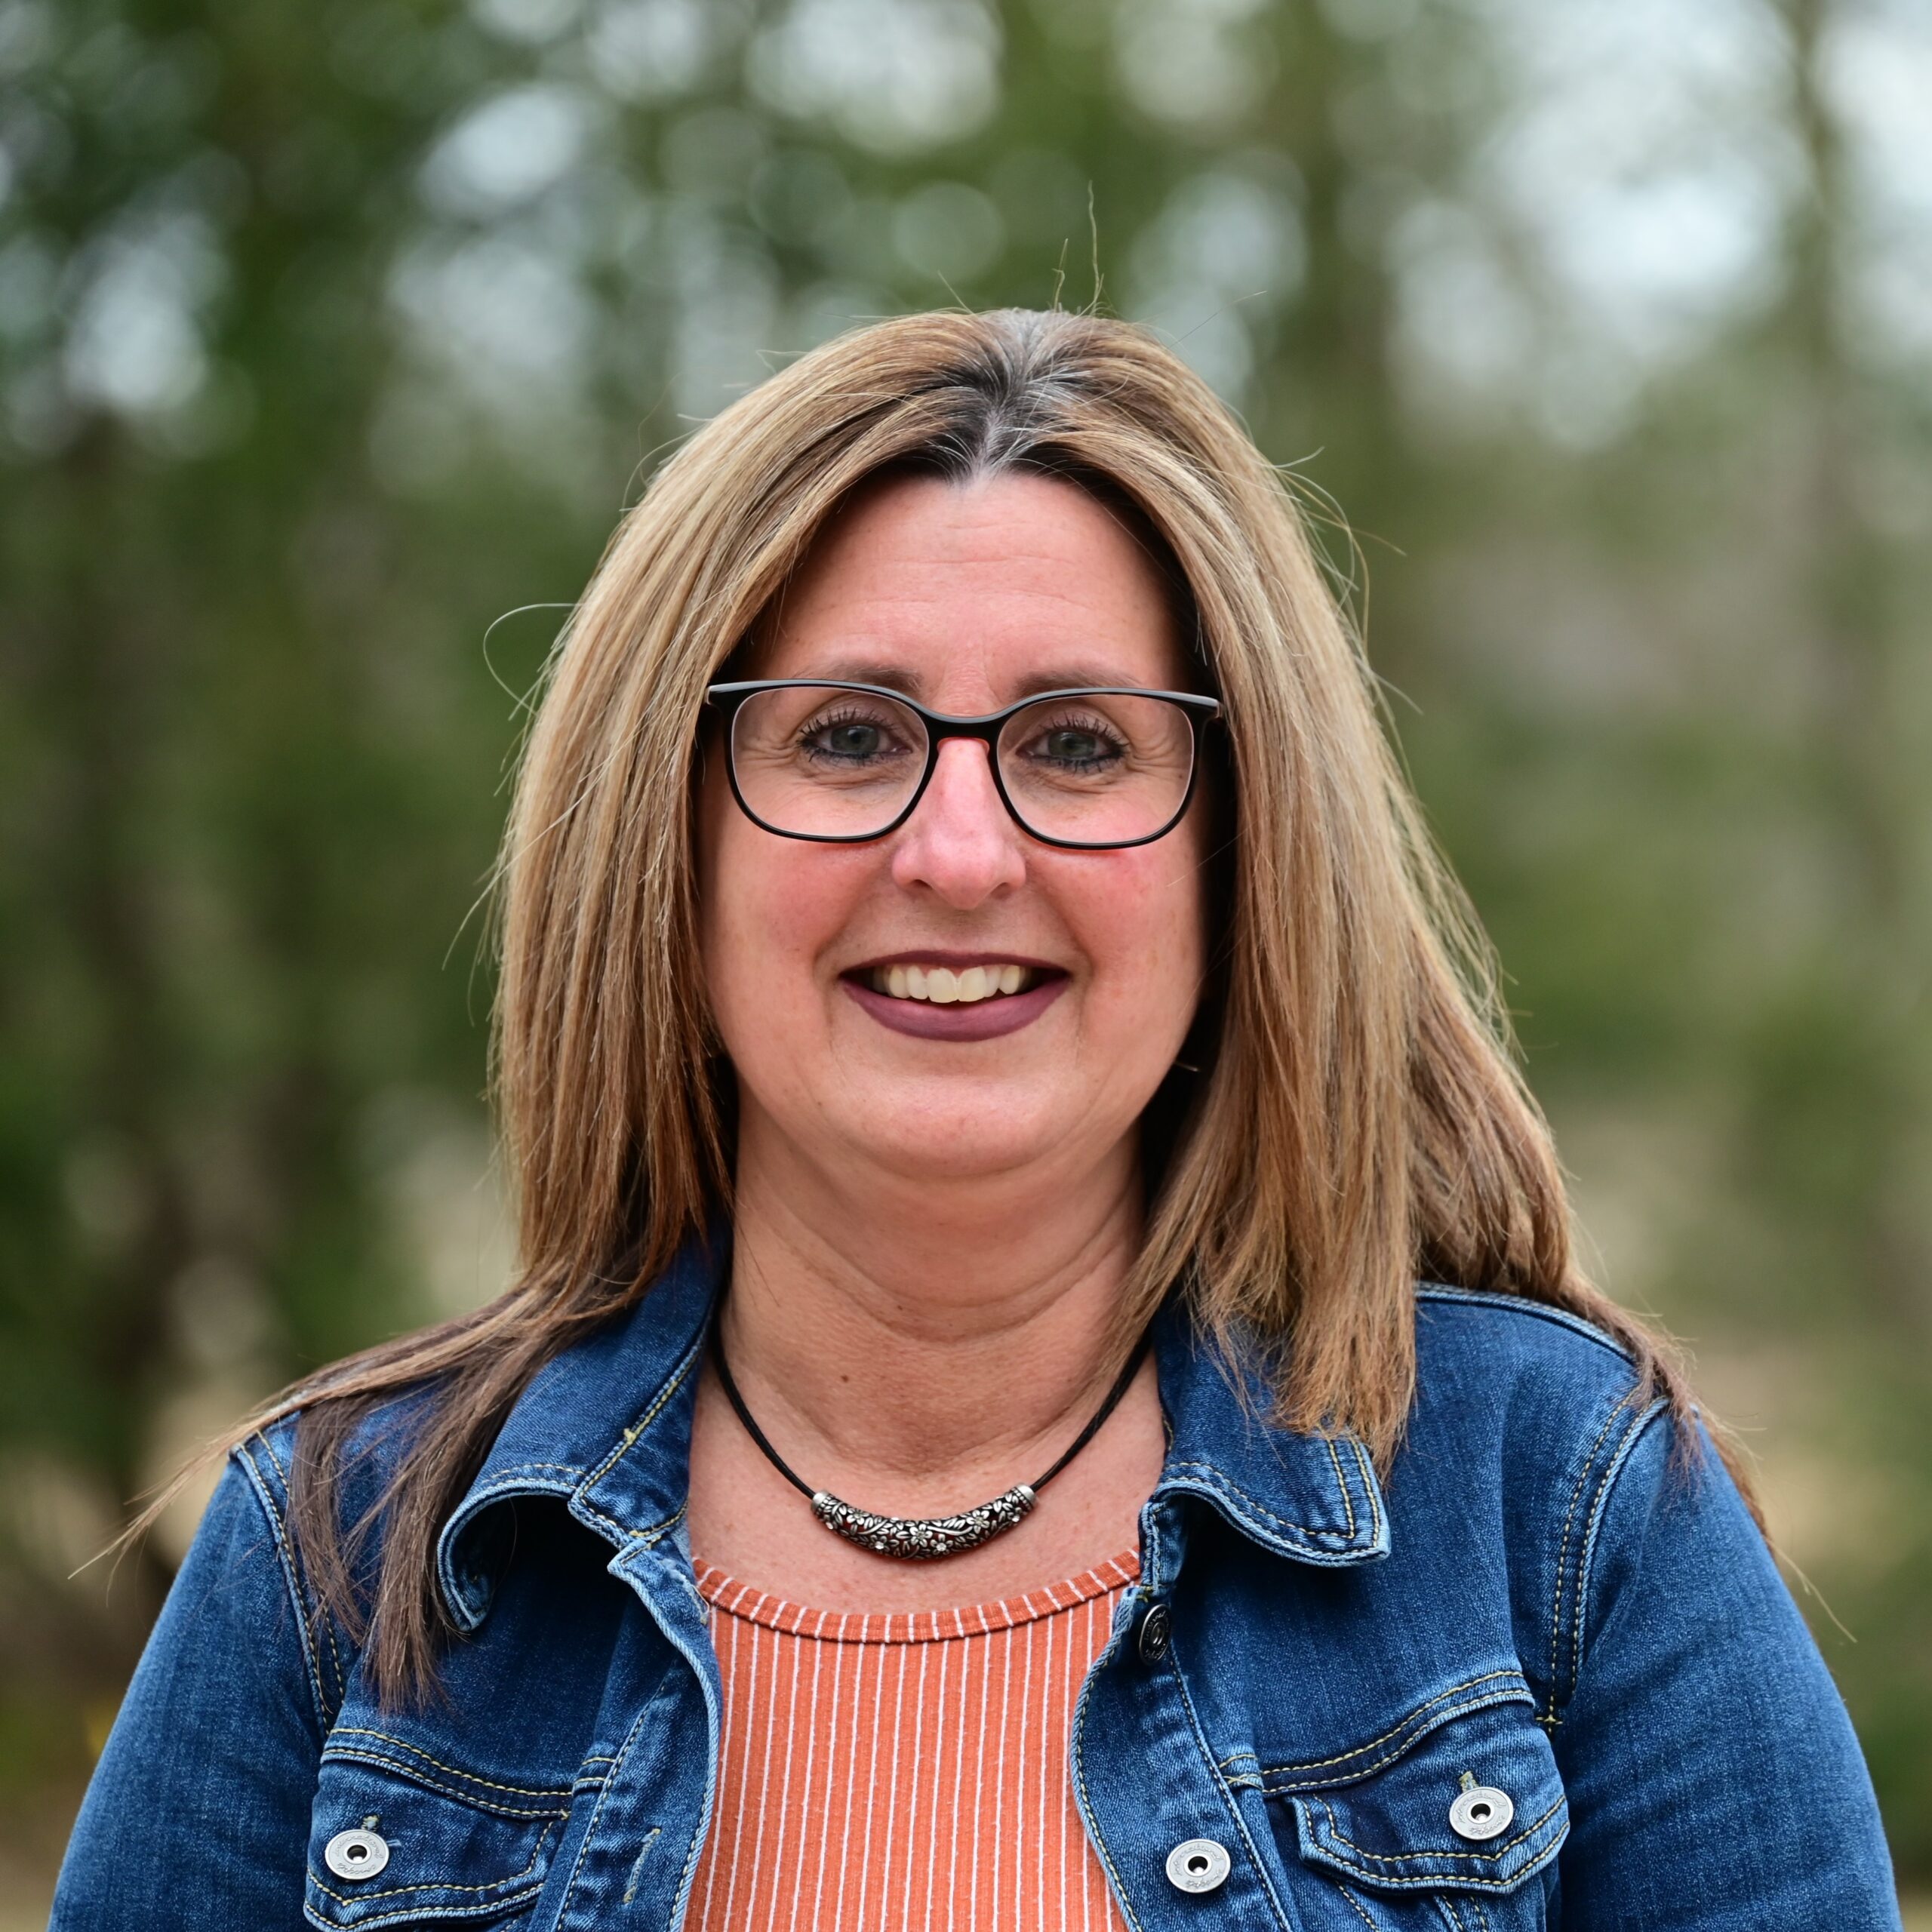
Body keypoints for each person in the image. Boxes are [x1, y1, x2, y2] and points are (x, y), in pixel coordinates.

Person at [52, 308, 1898, 1930]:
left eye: (1080, 744)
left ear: (1240, 856)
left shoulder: (1557, 1510)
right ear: (666, 841)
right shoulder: (343, 1555)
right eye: (844, 736)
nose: (955, 852)